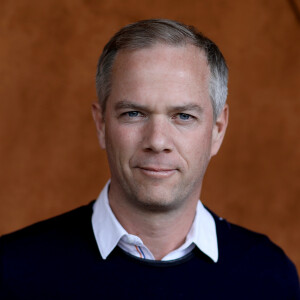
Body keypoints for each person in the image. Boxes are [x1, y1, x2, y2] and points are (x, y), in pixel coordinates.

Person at [0, 19, 299, 299]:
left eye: (183, 116)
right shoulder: (12, 271)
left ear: (217, 130)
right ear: (101, 124)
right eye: (133, 114)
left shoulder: (269, 277)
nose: (157, 141)